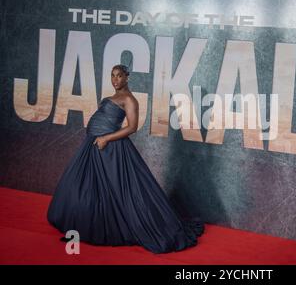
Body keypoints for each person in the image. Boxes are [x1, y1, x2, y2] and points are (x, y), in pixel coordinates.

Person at [47, 64, 204, 253]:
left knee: (120, 192)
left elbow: (132, 127)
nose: (115, 80)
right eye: (112, 76)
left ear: (126, 78)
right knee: (83, 187)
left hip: (110, 149)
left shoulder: (129, 99)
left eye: (119, 76)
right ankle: (85, 223)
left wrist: (106, 137)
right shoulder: (111, 98)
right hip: (92, 146)